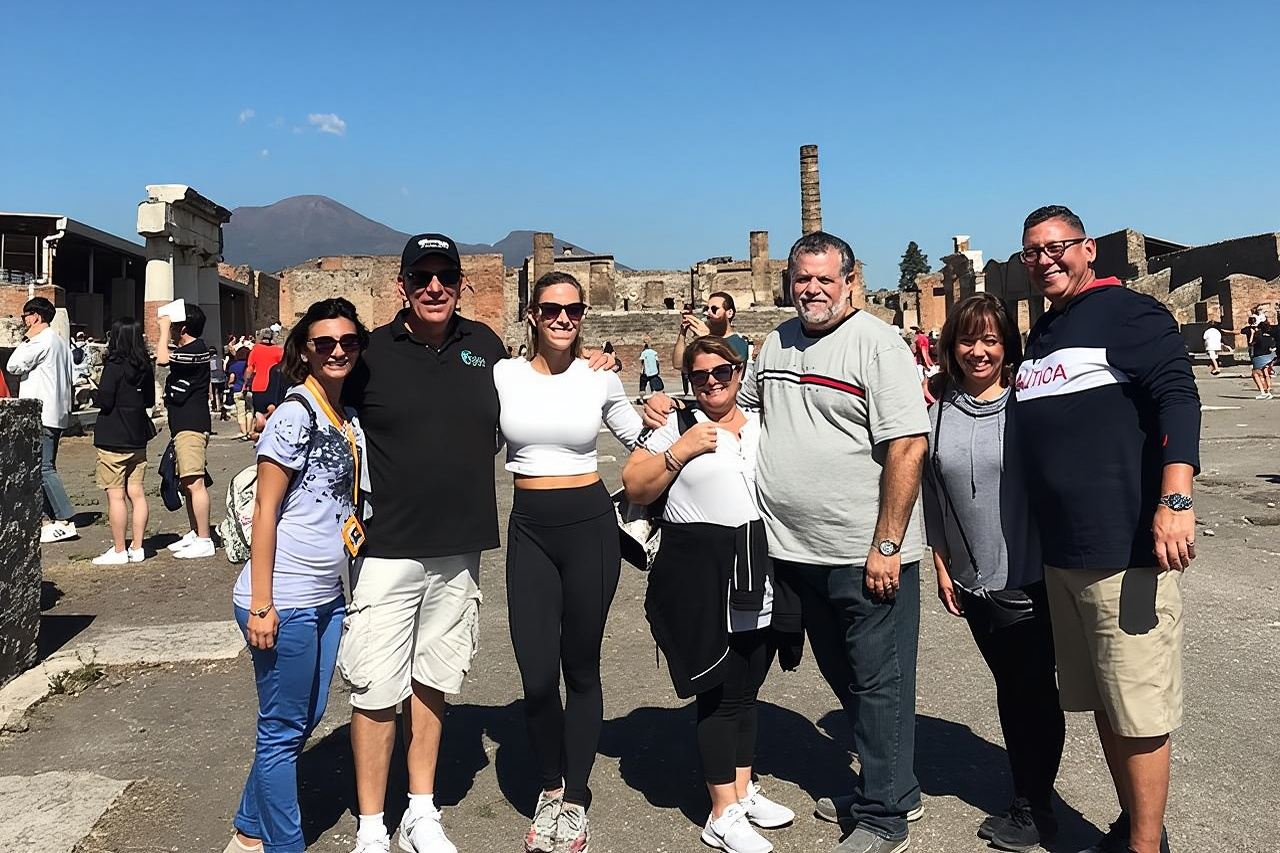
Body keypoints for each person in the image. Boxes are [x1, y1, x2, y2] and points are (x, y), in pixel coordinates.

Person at [644, 232, 929, 853]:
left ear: (851, 279)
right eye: (803, 279)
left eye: (826, 279)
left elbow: (908, 445)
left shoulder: (878, 345)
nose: (813, 290)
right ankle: (895, 785)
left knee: (880, 680)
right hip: (794, 554)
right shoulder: (775, 342)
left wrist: (887, 543)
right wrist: (670, 414)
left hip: (863, 552)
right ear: (789, 281)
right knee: (846, 677)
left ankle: (884, 817)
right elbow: (731, 407)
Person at [1013, 205, 1200, 853]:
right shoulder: (1045, 330)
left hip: (1123, 550)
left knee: (1139, 709)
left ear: (1088, 248)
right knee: (1105, 702)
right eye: (1032, 252)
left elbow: (1178, 394)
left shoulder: (1127, 312)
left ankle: (1147, 846)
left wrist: (1176, 497)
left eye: (1056, 246)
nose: (1044, 260)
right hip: (1064, 556)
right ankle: (1132, 824)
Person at [623, 336, 799, 853]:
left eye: (721, 371)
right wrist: (681, 450)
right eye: (700, 376)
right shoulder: (675, 425)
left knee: (747, 688)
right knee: (717, 692)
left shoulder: (763, 425)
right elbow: (635, 486)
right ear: (688, 381)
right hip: (699, 577)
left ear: (739, 371)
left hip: (757, 571)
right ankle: (720, 813)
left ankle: (742, 791)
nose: (712, 382)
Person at [494, 271, 643, 853]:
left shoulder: (598, 378)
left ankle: (575, 797)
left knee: (580, 665)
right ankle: (550, 786)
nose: (563, 319)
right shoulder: (504, 376)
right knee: (535, 678)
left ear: (584, 315)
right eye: (551, 309)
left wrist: (674, 418)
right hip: (529, 528)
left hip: (588, 527)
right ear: (532, 314)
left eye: (573, 311)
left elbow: (641, 440)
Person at [226, 298, 370, 853]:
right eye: (324, 343)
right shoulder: (295, 413)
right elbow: (265, 510)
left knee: (302, 717)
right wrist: (262, 603)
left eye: (348, 342)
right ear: (303, 351)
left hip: (328, 595)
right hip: (282, 596)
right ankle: (284, 846)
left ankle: (248, 826)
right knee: (282, 729)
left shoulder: (345, 414)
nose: (338, 351)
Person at [921, 294, 1064, 851]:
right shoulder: (934, 414)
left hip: (1030, 576)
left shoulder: (1029, 406)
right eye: (967, 340)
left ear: (1008, 346)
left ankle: (1036, 806)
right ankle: (1030, 795)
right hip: (972, 580)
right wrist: (939, 559)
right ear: (951, 346)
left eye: (990, 340)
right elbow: (932, 493)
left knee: (1034, 693)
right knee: (1013, 688)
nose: (978, 351)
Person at [7, 297, 77, 543]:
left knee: (44, 468)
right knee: (43, 467)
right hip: (57, 412)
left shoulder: (40, 341)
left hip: (40, 412)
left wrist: (27, 339)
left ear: (36, 316)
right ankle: (45, 517)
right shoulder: (59, 342)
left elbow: (13, 365)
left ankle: (64, 517)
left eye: (25, 315)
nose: (23, 320)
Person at [91, 317, 156, 565]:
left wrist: (95, 392)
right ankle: (138, 547)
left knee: (115, 495)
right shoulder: (144, 366)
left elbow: (105, 401)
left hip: (113, 436)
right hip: (137, 436)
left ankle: (119, 549)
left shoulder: (114, 366)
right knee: (137, 493)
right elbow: (149, 400)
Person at [157, 303, 215, 559]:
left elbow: (161, 359)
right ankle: (195, 531)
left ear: (181, 327)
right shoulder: (189, 350)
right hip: (183, 424)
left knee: (195, 482)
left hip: (192, 424)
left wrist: (162, 330)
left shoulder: (197, 349)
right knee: (186, 482)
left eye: (172, 327)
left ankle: (205, 539)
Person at [674, 292, 752, 389]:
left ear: (729, 313)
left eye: (714, 309)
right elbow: (679, 364)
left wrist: (707, 337)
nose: (707, 312)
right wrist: (683, 331)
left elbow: (728, 365)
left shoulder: (739, 341)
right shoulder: (704, 340)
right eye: (707, 309)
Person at [245, 328, 284, 438]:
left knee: (258, 410)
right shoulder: (279, 350)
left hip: (258, 385)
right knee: (274, 409)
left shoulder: (255, 350)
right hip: (274, 385)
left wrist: (246, 384)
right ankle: (267, 418)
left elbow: (249, 369)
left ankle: (261, 421)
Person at [227, 347, 253, 441]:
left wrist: (230, 384)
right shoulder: (249, 365)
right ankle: (249, 431)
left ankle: (243, 431)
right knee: (249, 410)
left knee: (241, 412)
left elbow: (232, 377)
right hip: (249, 390)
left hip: (237, 390)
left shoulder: (234, 365)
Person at [1249, 319, 1275, 399]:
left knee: (1255, 374)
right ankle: (1268, 391)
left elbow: (1251, 343)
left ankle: (1262, 392)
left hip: (1259, 357)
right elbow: (1272, 348)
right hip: (1268, 357)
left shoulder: (1258, 336)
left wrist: (1253, 334)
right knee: (1266, 373)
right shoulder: (1270, 338)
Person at [210, 346, 230, 420]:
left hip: (213, 379)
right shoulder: (220, 360)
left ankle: (215, 406)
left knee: (214, 392)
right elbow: (224, 369)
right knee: (221, 392)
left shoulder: (210, 360)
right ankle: (221, 405)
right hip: (221, 378)